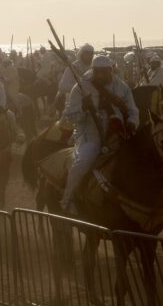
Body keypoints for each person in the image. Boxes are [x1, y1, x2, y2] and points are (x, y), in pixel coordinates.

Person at [59, 55, 138, 216]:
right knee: (82, 162)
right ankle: (67, 200)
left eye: (104, 72)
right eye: (97, 72)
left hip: (118, 134)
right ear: (93, 71)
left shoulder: (122, 87)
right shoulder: (81, 87)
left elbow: (133, 111)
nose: (100, 75)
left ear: (110, 70)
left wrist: (132, 122)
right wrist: (83, 108)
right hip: (89, 135)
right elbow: (70, 116)